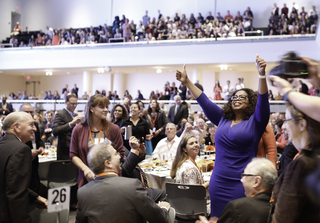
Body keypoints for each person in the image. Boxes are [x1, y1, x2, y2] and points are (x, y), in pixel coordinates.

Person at [176, 54, 269, 218]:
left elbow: (263, 101)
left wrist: (261, 75)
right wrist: (187, 81)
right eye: (234, 96)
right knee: (217, 218)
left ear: (250, 103)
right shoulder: (223, 119)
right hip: (218, 181)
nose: (237, 99)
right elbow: (204, 101)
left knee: (238, 218)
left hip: (242, 182)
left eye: (242, 97)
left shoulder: (256, 122)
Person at [76, 140, 170, 223]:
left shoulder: (83, 193)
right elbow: (159, 219)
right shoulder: (132, 186)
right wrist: (163, 208)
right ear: (108, 163)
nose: (120, 157)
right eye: (116, 154)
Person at [270, 104, 320, 222]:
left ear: (302, 124)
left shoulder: (301, 164)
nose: (284, 127)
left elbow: (283, 218)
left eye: (287, 120)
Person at [197, 158, 277, 223]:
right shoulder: (280, 207)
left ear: (256, 181)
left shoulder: (238, 207)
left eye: (245, 176)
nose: (242, 180)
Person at [70, 94, 124, 188]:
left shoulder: (114, 129)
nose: (106, 110)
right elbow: (73, 154)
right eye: (102, 107)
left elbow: (121, 153)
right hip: (87, 178)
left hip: (110, 179)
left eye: (107, 107)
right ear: (92, 108)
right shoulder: (78, 129)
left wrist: (108, 167)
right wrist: (86, 169)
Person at [0, 112, 36, 223]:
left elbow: (9, 182)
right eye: (31, 125)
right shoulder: (21, 150)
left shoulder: (3, 144)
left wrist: (36, 197)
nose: (34, 128)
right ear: (16, 127)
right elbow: (16, 194)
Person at [53, 94, 82, 160]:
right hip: (65, 151)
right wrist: (71, 123)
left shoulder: (75, 115)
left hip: (75, 149)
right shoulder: (60, 114)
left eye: (76, 104)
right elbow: (55, 130)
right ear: (66, 102)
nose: (74, 106)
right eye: (72, 103)